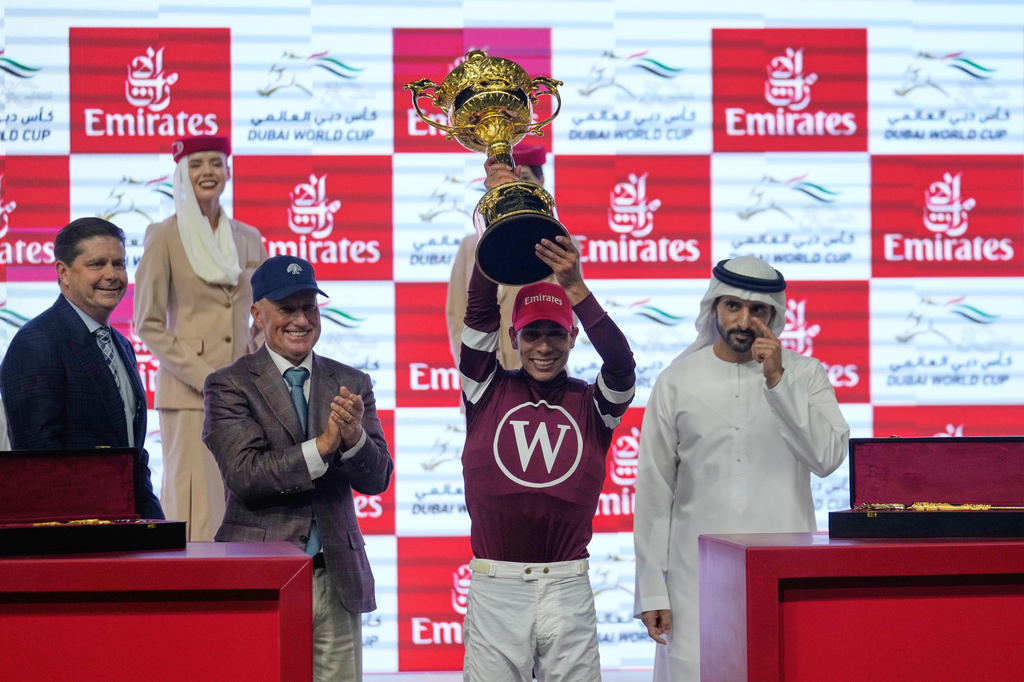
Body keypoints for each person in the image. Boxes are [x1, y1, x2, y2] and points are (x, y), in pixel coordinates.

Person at [458, 158, 636, 680]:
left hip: (568, 586)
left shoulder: (594, 403)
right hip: (497, 588)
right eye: (531, 334)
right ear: (514, 338)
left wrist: (575, 287)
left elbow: (622, 364)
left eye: (554, 334)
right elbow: (478, 311)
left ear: (572, 337)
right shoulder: (484, 387)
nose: (542, 346)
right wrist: (497, 225)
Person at [632, 256, 850, 681]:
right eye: (732, 306)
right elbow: (654, 490)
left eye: (758, 310)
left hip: (784, 579)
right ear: (714, 308)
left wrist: (778, 382)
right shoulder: (677, 380)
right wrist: (652, 588)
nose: (744, 320)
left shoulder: (804, 376)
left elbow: (827, 458)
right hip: (693, 584)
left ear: (775, 316)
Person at [202, 255, 392, 681]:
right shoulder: (229, 383)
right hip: (261, 578)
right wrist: (323, 446)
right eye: (287, 308)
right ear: (257, 314)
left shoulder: (351, 382)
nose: (301, 319)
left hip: (337, 579)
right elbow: (245, 474)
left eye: (309, 306)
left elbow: (378, 477)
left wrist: (354, 439)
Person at [134, 134, 268, 541]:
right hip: (191, 395)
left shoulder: (248, 237)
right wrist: (207, 377)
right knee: (194, 507)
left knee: (241, 500)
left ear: (228, 171)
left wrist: (257, 368)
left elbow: (264, 315)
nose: (207, 172)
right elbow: (148, 322)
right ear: (181, 173)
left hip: (246, 393)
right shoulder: (164, 236)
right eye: (196, 164)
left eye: (215, 162)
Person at [0, 217, 163, 519]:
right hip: (75, 537)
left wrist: (154, 521)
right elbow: (39, 463)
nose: (112, 275)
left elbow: (132, 456)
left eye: (119, 263)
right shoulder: (36, 343)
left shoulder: (122, 345)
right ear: (63, 272)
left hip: (129, 527)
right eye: (97, 264)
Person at [446, 143, 549, 370]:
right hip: (484, 386)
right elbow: (456, 316)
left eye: (525, 180)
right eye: (506, 181)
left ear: (541, 183)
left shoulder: (556, 240)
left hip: (542, 383)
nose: (516, 189)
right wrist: (474, 374)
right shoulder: (470, 246)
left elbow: (567, 312)